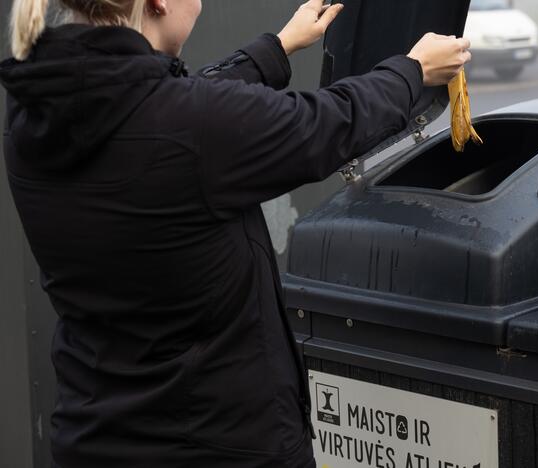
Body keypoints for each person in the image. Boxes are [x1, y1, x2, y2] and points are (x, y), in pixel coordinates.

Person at [1, 0, 471, 466]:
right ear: (159, 3)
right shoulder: (189, 125)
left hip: (96, 438)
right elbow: (327, 122)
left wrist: (279, 47)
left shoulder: (36, 114)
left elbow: (172, 109)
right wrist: (412, 71)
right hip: (218, 446)